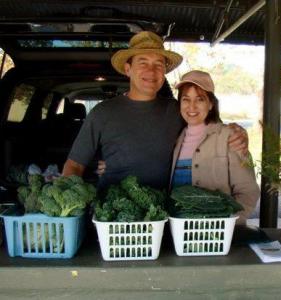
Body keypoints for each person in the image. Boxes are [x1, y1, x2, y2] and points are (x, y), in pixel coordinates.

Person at [62, 31, 248, 191]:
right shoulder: (102, 113)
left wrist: (238, 133)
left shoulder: (178, 110)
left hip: (165, 215)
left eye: (158, 64)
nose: (151, 71)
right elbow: (75, 165)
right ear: (128, 69)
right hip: (114, 221)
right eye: (143, 62)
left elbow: (213, 131)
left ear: (164, 72)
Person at [171, 70, 259, 224]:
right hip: (177, 233)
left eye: (200, 99)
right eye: (186, 99)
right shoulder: (176, 138)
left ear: (211, 104)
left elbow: (248, 191)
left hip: (216, 237)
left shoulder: (229, 137)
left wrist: (227, 226)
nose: (192, 106)